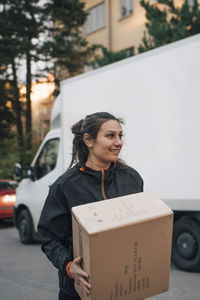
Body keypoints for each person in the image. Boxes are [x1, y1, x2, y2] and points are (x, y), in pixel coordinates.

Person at [38, 112, 143, 300]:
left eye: (120, 135)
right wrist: (69, 266)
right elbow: (49, 237)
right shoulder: (65, 186)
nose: (118, 142)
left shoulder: (132, 179)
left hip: (126, 286)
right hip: (80, 291)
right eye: (110, 135)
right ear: (88, 140)